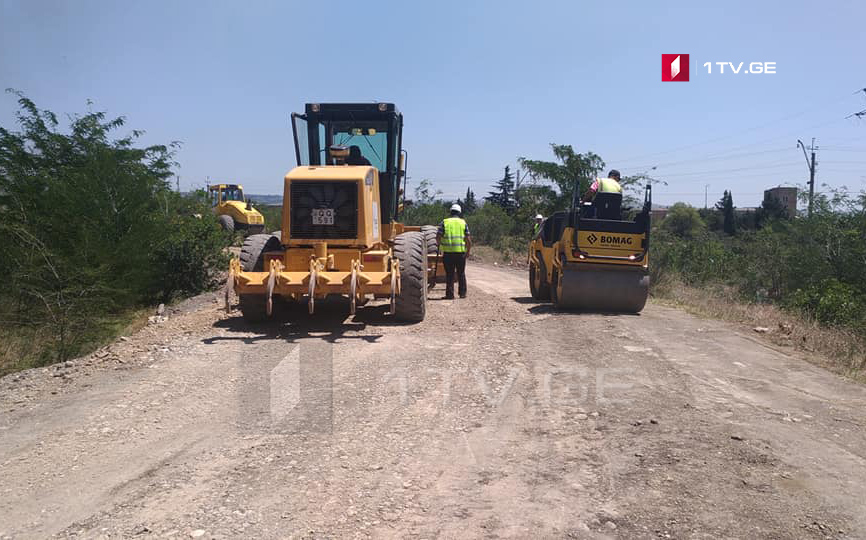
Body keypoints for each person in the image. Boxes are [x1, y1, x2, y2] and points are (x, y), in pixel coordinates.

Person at [437, 203, 472, 299]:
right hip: (460, 253)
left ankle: (450, 295)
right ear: (459, 212)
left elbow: (438, 237)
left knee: (450, 274)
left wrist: (440, 247)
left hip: (448, 253)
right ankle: (462, 293)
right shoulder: (463, 223)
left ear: (450, 212)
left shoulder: (444, 222)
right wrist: (468, 251)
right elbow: (468, 239)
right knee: (461, 273)